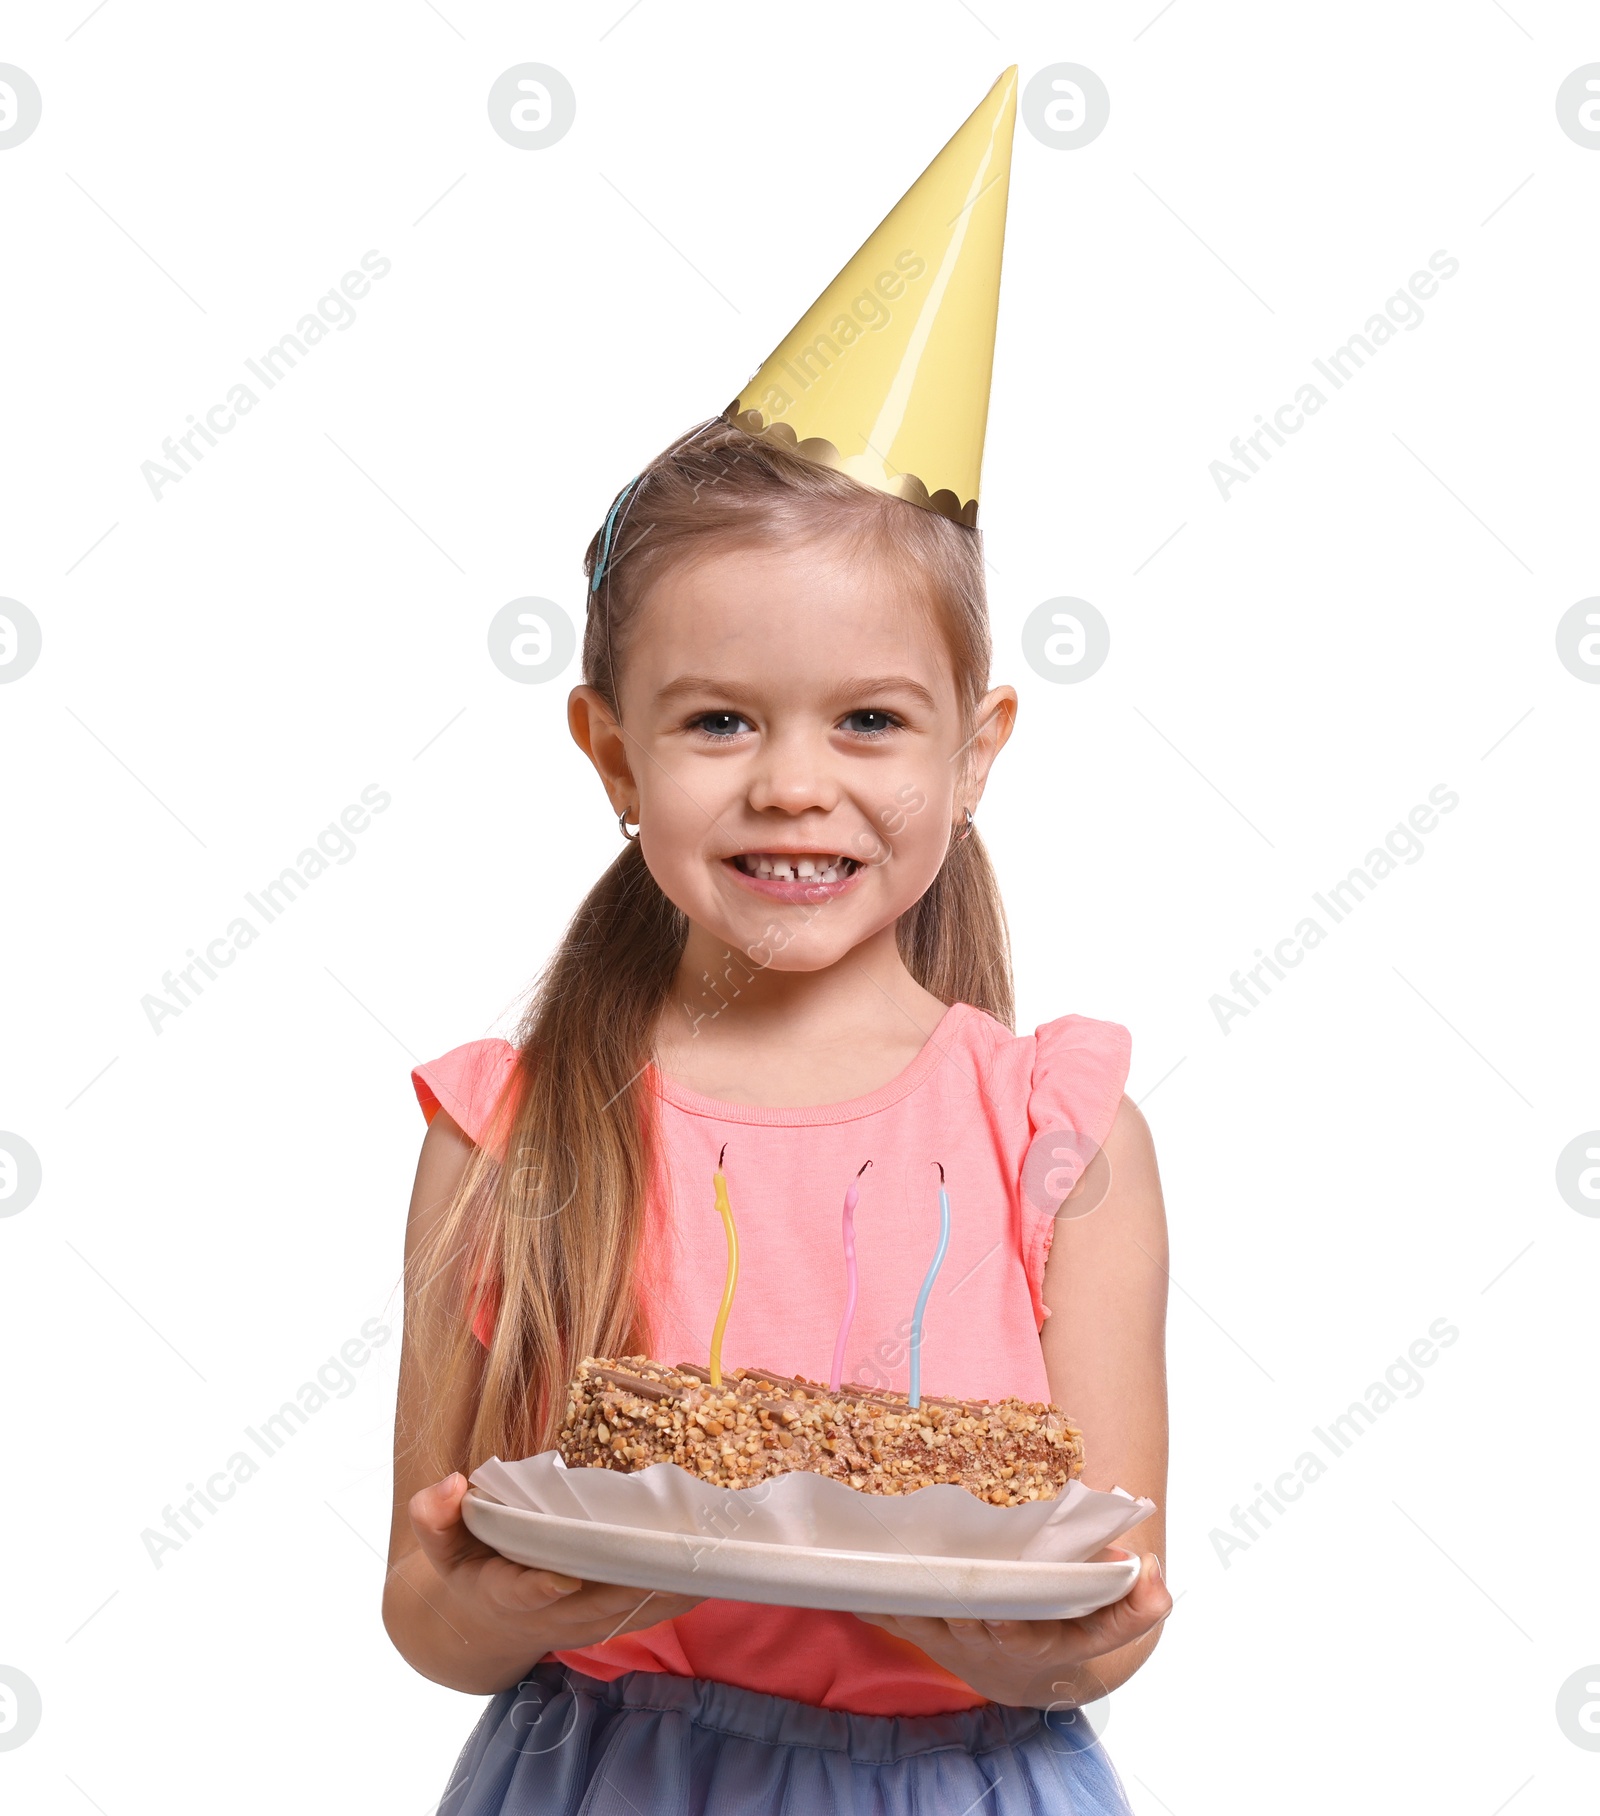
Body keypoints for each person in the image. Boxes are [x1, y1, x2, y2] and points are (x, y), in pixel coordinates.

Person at [384, 67, 1173, 1815]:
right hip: (600, 1774)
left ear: (980, 754)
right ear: (612, 754)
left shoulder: (1062, 1139)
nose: (794, 788)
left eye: (872, 725)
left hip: (962, 1778)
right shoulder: (503, 1133)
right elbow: (424, 1614)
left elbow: (1113, 1601)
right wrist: (513, 1593)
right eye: (722, 723)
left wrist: (1025, 1646)